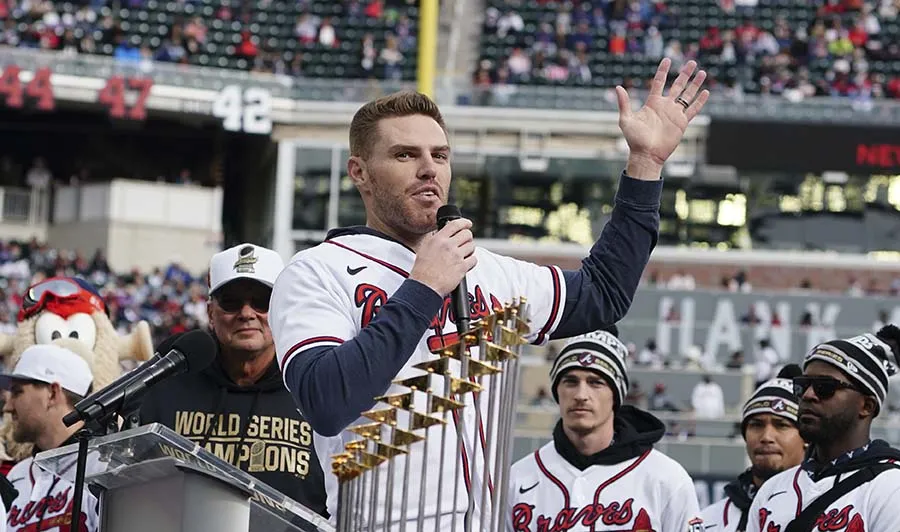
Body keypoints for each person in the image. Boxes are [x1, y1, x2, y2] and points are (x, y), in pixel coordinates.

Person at [269, 57, 710, 529]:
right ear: (359, 171)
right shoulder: (318, 270)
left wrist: (644, 166)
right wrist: (423, 288)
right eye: (405, 155)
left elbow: (603, 294)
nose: (428, 169)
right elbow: (327, 400)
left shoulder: (486, 271)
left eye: (439, 155)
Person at [139, 243, 327, 517]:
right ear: (210, 313)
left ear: (282, 309)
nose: (247, 313)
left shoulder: (312, 386)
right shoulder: (167, 384)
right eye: (231, 302)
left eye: (262, 301)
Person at [506, 328, 703, 531]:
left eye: (595, 382)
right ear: (557, 391)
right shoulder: (519, 478)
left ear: (615, 396)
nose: (581, 394)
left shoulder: (666, 479)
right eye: (570, 382)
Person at [747, 326, 900, 532]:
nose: (808, 395)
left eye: (825, 387)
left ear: (866, 406)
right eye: (803, 385)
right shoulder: (772, 489)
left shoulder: (891, 487)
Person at [0, 344, 99, 532]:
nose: (8, 407)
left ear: (52, 394)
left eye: (17, 392)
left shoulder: (104, 470)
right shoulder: (14, 476)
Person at [700, 364, 806, 531]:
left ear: (806, 437)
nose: (766, 437)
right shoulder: (709, 521)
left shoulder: (830, 514)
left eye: (781, 425)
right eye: (756, 425)